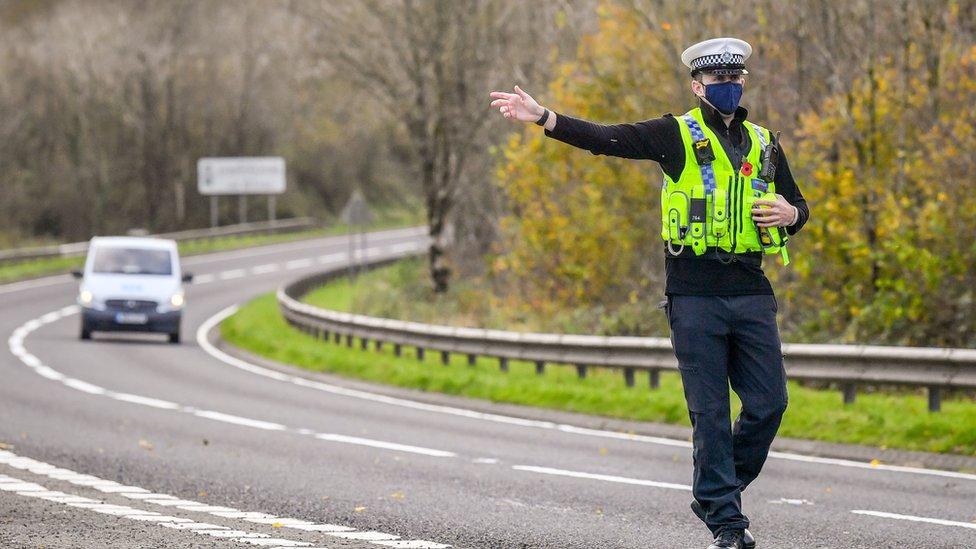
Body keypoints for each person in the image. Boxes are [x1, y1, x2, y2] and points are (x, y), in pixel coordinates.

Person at [489, 37, 810, 549]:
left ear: (742, 82)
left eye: (734, 79)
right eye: (716, 81)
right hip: (694, 296)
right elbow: (606, 138)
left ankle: (713, 491)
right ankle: (728, 524)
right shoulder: (673, 135)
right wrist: (543, 116)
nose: (726, 87)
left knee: (769, 405)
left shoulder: (765, 142)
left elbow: (797, 204)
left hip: (751, 290)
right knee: (709, 413)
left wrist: (793, 215)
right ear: (697, 85)